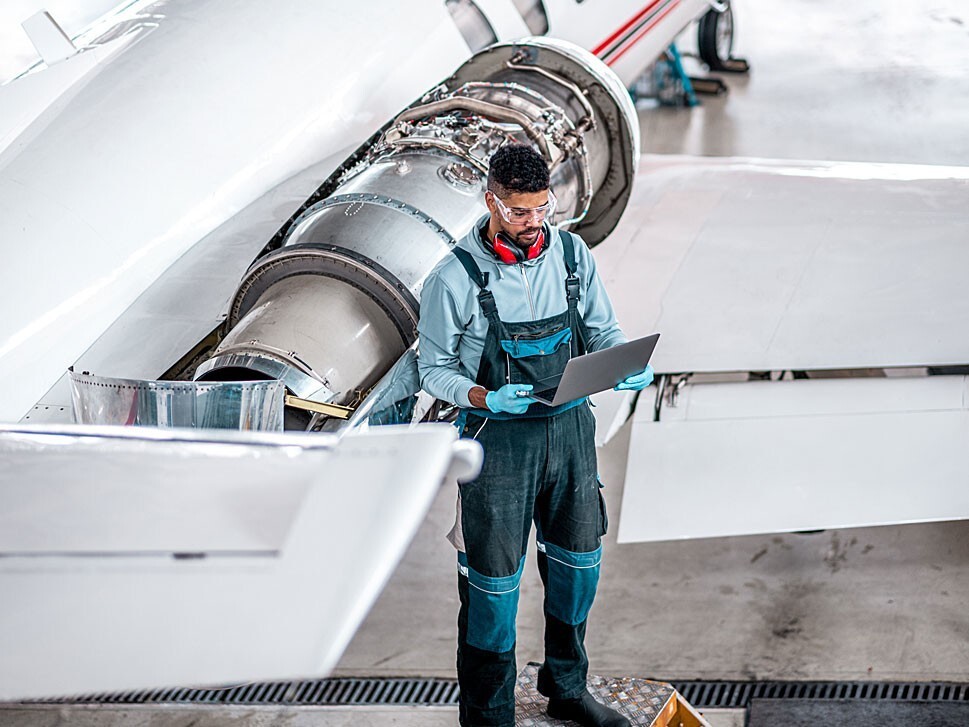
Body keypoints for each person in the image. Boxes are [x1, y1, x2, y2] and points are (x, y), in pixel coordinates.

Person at [417, 143, 653, 727]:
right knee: (493, 590)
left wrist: (620, 363)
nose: (533, 223)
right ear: (492, 200)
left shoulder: (573, 255)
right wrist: (482, 395)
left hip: (570, 433)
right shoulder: (454, 278)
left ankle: (567, 689)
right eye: (520, 212)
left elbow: (602, 330)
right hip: (496, 447)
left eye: (542, 209)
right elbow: (432, 369)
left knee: (578, 567)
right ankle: (489, 714)